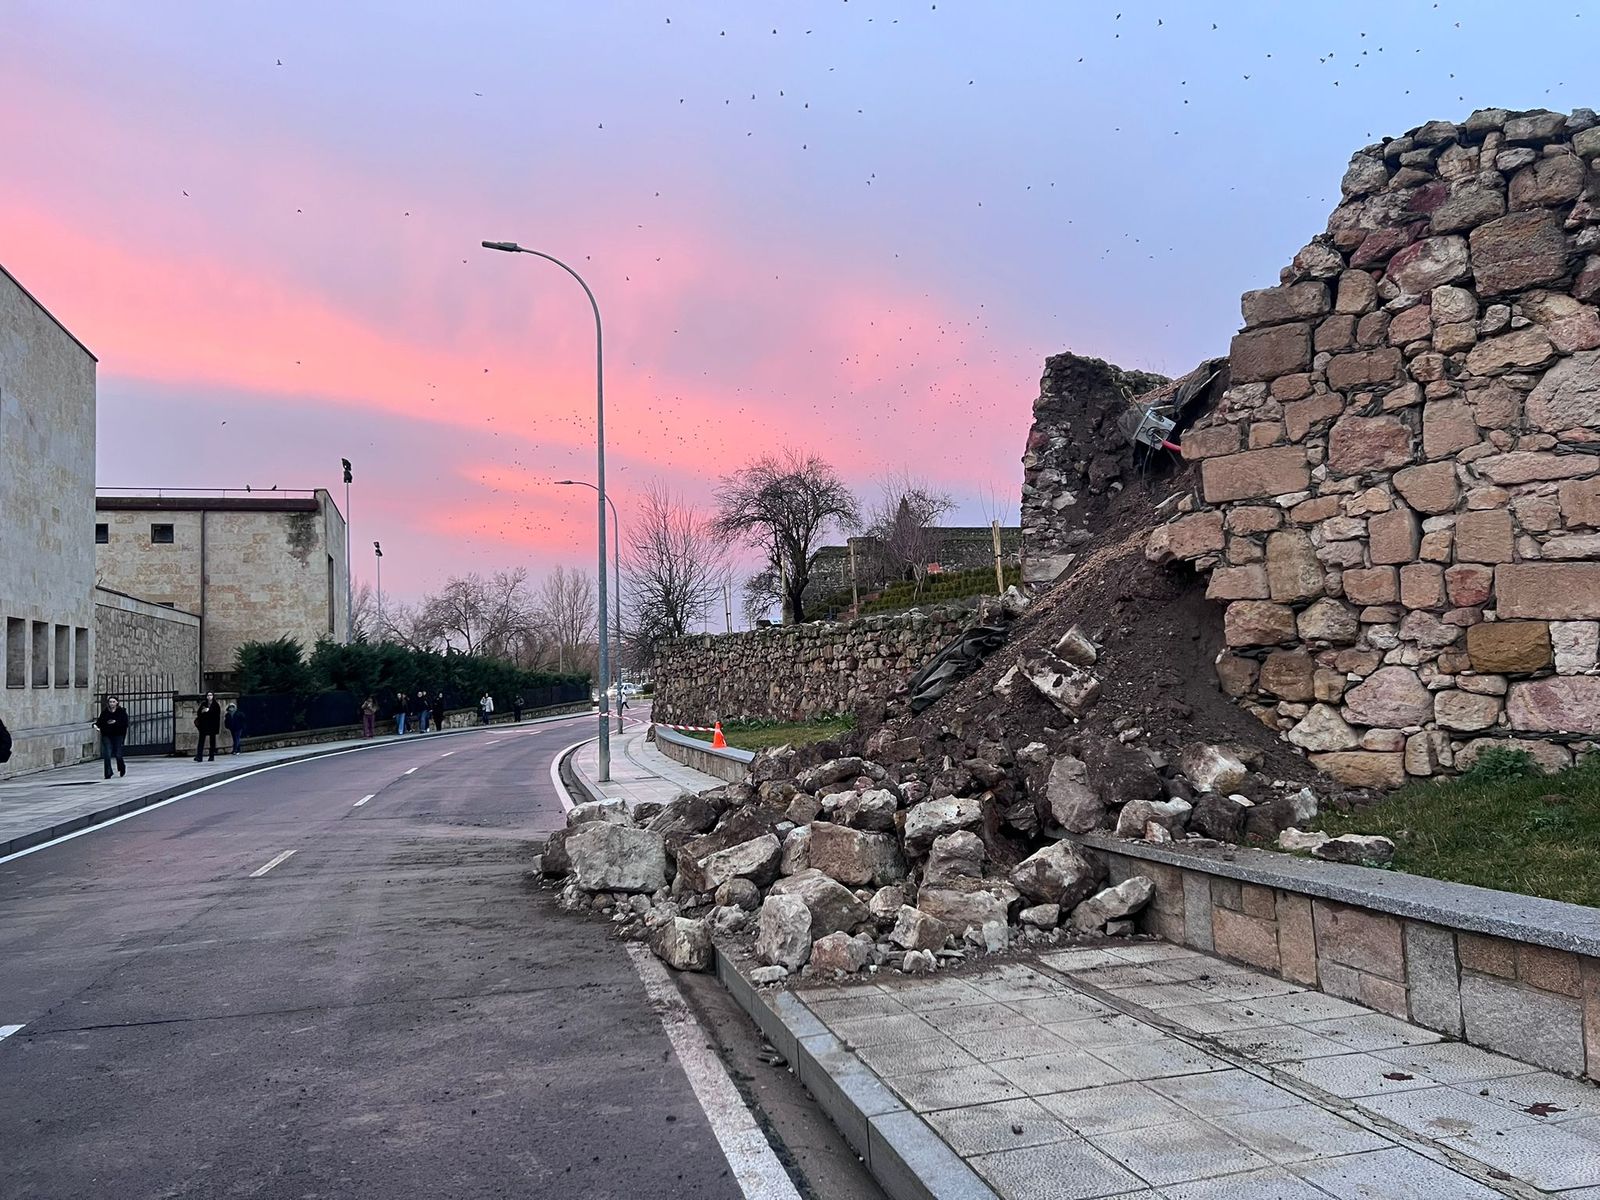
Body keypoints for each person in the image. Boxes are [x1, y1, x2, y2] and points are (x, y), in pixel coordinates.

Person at [94, 696, 130, 778]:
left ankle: (121, 767)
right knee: (107, 753)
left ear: (117, 702)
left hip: (118, 735)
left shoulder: (121, 712)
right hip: (107, 735)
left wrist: (115, 722)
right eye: (110, 702)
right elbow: (100, 721)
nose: (112, 703)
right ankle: (108, 772)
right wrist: (96, 725)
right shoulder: (105, 712)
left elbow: (125, 723)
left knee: (118, 754)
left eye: (113, 702)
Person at [194, 692, 222, 762]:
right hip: (204, 725)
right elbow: (199, 713)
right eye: (208, 695)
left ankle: (211, 756)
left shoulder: (216, 705)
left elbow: (217, 714)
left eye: (211, 695)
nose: (209, 697)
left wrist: (209, 711)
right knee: (201, 741)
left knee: (212, 741)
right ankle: (199, 756)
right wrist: (203, 711)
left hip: (212, 725)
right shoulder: (204, 704)